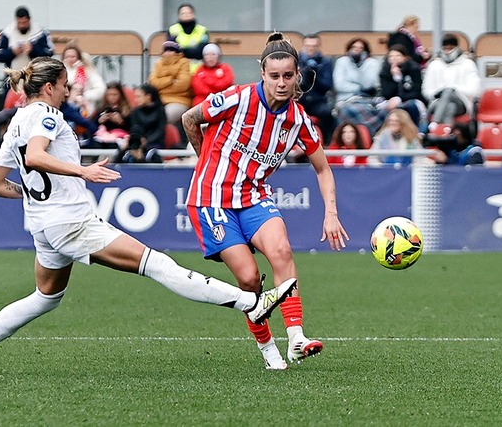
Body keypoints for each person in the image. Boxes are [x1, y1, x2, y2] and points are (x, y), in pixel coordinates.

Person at [0, 56, 297, 376]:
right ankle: (252, 302)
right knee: (158, 265)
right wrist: (82, 172)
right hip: (71, 223)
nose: (68, 91)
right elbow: (36, 157)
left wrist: (36, 194)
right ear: (49, 87)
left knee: (45, 297)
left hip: (44, 226)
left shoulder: (18, 120)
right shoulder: (47, 116)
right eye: (65, 85)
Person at [181, 32, 348, 370]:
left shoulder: (298, 119)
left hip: (254, 196)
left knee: (282, 251)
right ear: (262, 73)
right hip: (212, 199)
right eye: (275, 76)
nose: (282, 83)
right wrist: (205, 164)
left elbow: (324, 169)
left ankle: (297, 338)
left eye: (288, 76)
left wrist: (331, 213)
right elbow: (189, 118)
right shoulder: (236, 98)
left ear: (297, 75)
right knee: (249, 280)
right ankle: (268, 347)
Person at [0, 6, 54, 109]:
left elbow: (49, 52)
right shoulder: (7, 33)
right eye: (20, 23)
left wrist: (33, 49)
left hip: (35, 79)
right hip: (13, 79)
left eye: (24, 23)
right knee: (10, 109)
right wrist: (12, 52)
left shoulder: (40, 33)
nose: (22, 25)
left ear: (29, 20)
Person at [422, 33, 481, 126]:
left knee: (449, 90)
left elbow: (474, 90)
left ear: (457, 48)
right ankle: (446, 133)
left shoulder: (468, 64)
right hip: (437, 101)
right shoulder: (434, 65)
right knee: (450, 107)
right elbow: (426, 90)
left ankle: (435, 123)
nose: (447, 52)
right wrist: (440, 92)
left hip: (462, 102)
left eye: (450, 48)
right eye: (445, 48)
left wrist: (453, 89)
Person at [332, 37, 382, 136]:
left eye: (360, 48)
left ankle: (368, 136)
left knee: (380, 109)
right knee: (345, 110)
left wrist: (361, 65)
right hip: (346, 99)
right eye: (354, 47)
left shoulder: (372, 63)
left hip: (366, 99)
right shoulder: (342, 61)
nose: (357, 50)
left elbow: (368, 85)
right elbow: (339, 85)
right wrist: (359, 88)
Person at [148, 40, 194, 133]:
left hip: (179, 100)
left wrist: (162, 86)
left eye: (171, 50)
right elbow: (153, 83)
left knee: (165, 117)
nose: (168, 53)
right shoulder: (158, 64)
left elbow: (183, 85)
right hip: (159, 100)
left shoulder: (184, 62)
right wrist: (170, 80)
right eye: (166, 50)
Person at [297, 34, 335, 144]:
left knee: (327, 113)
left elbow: (327, 86)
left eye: (313, 46)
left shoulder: (325, 62)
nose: (310, 48)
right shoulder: (296, 60)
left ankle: (325, 143)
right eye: (308, 45)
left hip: (317, 99)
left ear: (318, 46)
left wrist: (315, 75)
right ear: (303, 46)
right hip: (299, 98)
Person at [379, 45, 426, 128]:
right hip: (391, 100)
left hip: (411, 99)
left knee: (411, 106)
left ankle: (418, 131)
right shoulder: (385, 71)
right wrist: (394, 78)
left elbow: (416, 91)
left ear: (405, 57)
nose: (394, 58)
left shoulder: (414, 68)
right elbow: (386, 93)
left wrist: (400, 97)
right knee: (383, 108)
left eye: (398, 56)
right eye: (391, 56)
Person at [121, 83, 166, 163]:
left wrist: (146, 142)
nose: (136, 100)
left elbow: (160, 131)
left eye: (138, 96)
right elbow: (134, 129)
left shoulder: (160, 111)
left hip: (155, 144)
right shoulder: (135, 112)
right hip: (137, 143)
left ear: (148, 96)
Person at [61, 45, 105, 116]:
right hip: (65, 108)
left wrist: (84, 96)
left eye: (73, 56)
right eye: (67, 57)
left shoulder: (88, 71)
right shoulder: (60, 72)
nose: (70, 59)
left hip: (84, 109)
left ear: (78, 57)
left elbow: (101, 88)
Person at [167, 3, 209, 72]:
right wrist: (192, 50)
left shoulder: (202, 30)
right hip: (178, 72)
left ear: (193, 14)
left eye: (188, 13)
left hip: (199, 72)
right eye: (183, 13)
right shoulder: (172, 30)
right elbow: (172, 52)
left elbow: (202, 52)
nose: (186, 15)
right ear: (179, 15)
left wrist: (182, 50)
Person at [90, 82, 132, 149]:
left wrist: (121, 121)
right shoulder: (101, 109)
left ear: (120, 95)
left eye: (114, 95)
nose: (111, 97)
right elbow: (91, 125)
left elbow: (132, 127)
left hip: (119, 138)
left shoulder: (127, 110)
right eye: (109, 95)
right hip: (102, 137)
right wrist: (99, 120)